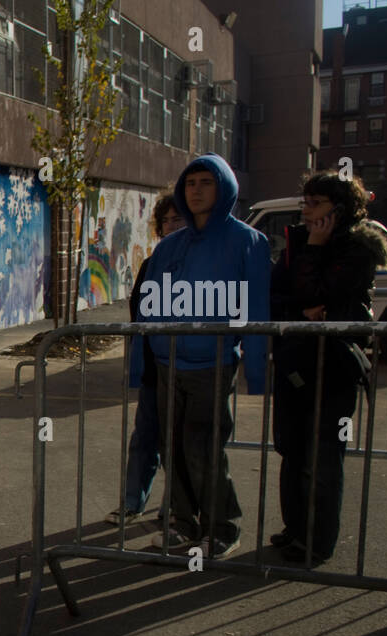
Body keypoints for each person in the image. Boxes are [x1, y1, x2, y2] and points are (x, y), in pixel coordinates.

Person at [130, 153, 270, 560]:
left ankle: (222, 528)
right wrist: (141, 366)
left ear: (223, 187)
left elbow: (258, 310)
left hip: (214, 364)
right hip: (167, 363)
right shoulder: (169, 246)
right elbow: (147, 309)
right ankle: (183, 522)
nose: (196, 191)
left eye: (206, 182)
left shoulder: (248, 242)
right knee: (172, 446)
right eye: (190, 183)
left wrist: (257, 373)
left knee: (204, 449)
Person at [269, 172, 387, 564]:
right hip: (295, 360)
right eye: (305, 201)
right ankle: (295, 529)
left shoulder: (358, 248)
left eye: (316, 203)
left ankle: (317, 541)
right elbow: (280, 296)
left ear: (339, 209)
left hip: (335, 366)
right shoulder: (296, 242)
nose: (306, 210)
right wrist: (304, 303)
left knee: (324, 454)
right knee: (291, 448)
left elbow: (318, 295)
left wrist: (317, 249)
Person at [108, 193, 185, 524]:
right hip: (155, 367)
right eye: (165, 220)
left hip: (188, 368)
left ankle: (177, 507)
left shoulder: (198, 264)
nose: (170, 226)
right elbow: (139, 313)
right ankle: (132, 502)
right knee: (144, 438)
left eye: (177, 219)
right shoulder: (151, 265)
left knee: (178, 443)